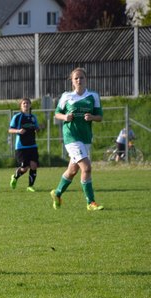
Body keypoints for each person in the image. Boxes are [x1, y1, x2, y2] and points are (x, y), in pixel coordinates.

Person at [52, 68, 104, 211]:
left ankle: (57, 194)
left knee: (72, 170)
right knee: (86, 167)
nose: (79, 80)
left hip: (85, 137)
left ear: (86, 79)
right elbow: (57, 113)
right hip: (71, 136)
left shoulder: (93, 96)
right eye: (76, 78)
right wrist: (65, 117)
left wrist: (92, 117)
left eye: (81, 77)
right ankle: (91, 202)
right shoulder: (67, 96)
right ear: (72, 81)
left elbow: (99, 116)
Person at [8, 98, 40, 192]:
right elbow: (10, 129)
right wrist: (18, 131)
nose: (26, 105)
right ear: (21, 106)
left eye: (27, 103)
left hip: (32, 145)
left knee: (34, 165)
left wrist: (37, 129)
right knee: (24, 168)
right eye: (24, 103)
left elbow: (36, 128)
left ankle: (30, 186)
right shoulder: (17, 117)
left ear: (30, 105)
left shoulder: (33, 117)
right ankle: (15, 176)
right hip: (21, 146)